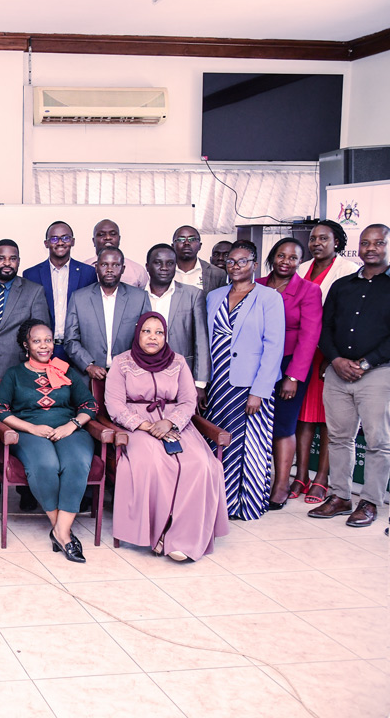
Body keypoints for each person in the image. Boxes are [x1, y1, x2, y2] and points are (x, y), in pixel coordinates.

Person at [105, 312, 229, 561]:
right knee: (153, 464)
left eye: (159, 332)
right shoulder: (121, 363)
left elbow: (188, 400)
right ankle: (160, 531)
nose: (153, 337)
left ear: (166, 336)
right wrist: (145, 426)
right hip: (138, 426)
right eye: (147, 331)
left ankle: (183, 537)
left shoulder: (179, 362)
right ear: (137, 333)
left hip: (175, 423)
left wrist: (170, 422)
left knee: (201, 464)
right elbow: (115, 405)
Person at [0, 319, 97, 563]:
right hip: (29, 431)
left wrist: (72, 425)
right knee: (46, 464)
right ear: (26, 345)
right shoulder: (15, 374)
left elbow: (90, 404)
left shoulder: (65, 369)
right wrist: (32, 428)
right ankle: (64, 533)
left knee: (77, 462)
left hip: (68, 429)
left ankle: (61, 532)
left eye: (48, 340)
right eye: (36, 341)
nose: (44, 345)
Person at [310, 223, 390, 529]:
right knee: (340, 438)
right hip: (338, 372)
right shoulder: (342, 286)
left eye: (379, 243)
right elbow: (324, 328)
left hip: (378, 373)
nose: (371, 248)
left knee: (377, 441)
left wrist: (366, 363)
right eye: (366, 243)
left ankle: (369, 501)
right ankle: (340, 496)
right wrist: (336, 359)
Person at [205, 240, 285, 521]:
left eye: (242, 261)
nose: (235, 266)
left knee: (250, 444)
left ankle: (246, 504)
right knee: (219, 441)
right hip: (219, 383)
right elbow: (206, 341)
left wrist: (260, 391)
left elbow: (274, 346)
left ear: (254, 263)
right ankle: (220, 503)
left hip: (251, 386)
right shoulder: (214, 296)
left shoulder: (269, 298)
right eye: (230, 261)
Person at [294, 220, 358, 504]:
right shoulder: (299, 268)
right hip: (301, 351)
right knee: (302, 416)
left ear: (338, 243)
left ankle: (322, 477)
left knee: (328, 418)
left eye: (323, 238)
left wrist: (332, 357)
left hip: (330, 353)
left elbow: (347, 317)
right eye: (313, 238)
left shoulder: (348, 271)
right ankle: (301, 474)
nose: (316, 243)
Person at [257, 238, 323, 510]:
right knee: (258, 424)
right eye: (281, 256)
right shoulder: (257, 284)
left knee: (283, 425)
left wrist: (293, 377)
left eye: (293, 257)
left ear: (300, 261)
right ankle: (255, 480)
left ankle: (281, 484)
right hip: (257, 364)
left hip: (288, 366)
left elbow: (310, 337)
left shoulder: (309, 290)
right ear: (272, 257)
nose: (286, 261)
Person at [65, 247, 152, 381]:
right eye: (104, 264)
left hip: (129, 376)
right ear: (96, 267)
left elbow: (146, 338)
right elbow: (71, 339)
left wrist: (131, 365)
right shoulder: (79, 298)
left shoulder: (139, 298)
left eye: (115, 265)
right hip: (87, 377)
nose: (109, 269)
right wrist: (88, 365)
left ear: (123, 269)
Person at [0, 239, 49, 380]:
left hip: (18, 369)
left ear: (19, 261)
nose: (7, 263)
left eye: (12, 259)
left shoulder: (34, 291)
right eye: (1, 258)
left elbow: (41, 335)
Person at [22, 221, 97, 361]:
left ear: (73, 241)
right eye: (54, 238)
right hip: (44, 350)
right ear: (46, 243)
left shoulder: (88, 273)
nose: (60, 242)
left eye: (66, 238)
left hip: (79, 349)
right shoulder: (31, 274)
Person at [145, 243, 209, 403]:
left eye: (170, 263)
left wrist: (199, 383)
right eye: (158, 262)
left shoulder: (193, 295)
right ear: (147, 266)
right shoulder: (135, 295)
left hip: (182, 374)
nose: (164, 267)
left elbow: (201, 340)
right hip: (144, 373)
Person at [84, 218, 148, 289]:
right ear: (93, 241)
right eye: (101, 234)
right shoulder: (83, 269)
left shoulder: (137, 270)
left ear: (119, 239)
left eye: (113, 234)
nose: (108, 237)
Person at [172, 226, 228, 295]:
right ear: (173, 246)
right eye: (181, 239)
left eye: (192, 239)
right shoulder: (162, 271)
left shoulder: (217, 273)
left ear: (200, 246)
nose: (186, 243)